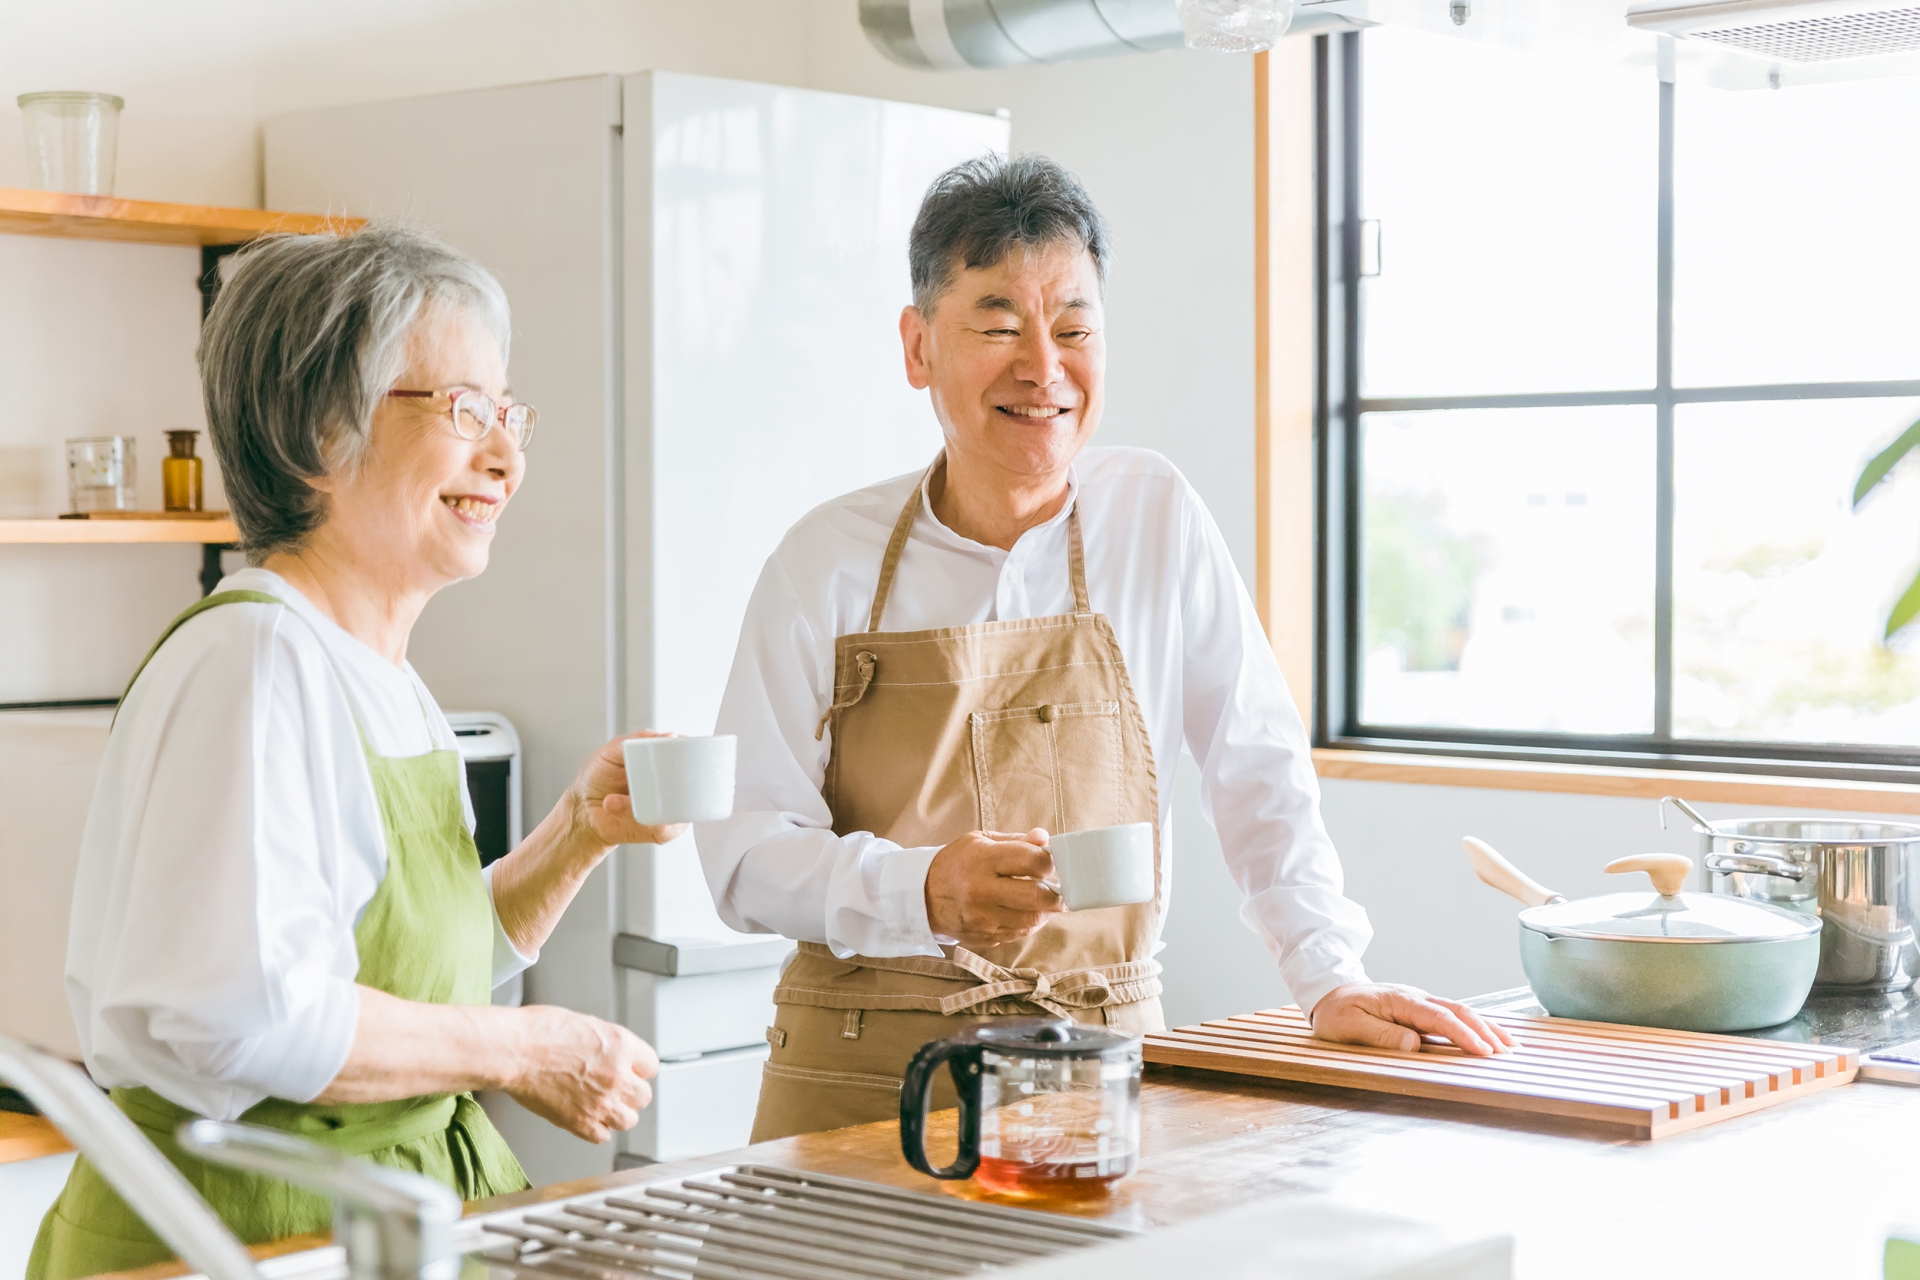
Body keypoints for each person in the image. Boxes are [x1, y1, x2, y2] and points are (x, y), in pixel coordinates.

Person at [697, 154, 1512, 1142]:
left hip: (1092, 1067)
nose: (1044, 367)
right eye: (997, 325)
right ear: (918, 347)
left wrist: (1329, 975)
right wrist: (922, 888)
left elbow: (1256, 770)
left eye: (1074, 328)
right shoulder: (821, 561)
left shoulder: (1155, 515)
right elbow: (741, 852)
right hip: (857, 1069)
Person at [31, 226, 670, 1279]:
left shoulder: (383, 674)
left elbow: (405, 970)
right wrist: (529, 1049)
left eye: (508, 412)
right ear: (319, 435)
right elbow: (243, 1017)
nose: (507, 453)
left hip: (361, 1226)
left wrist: (573, 837)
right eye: (466, 409)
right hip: (247, 1233)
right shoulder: (256, 657)